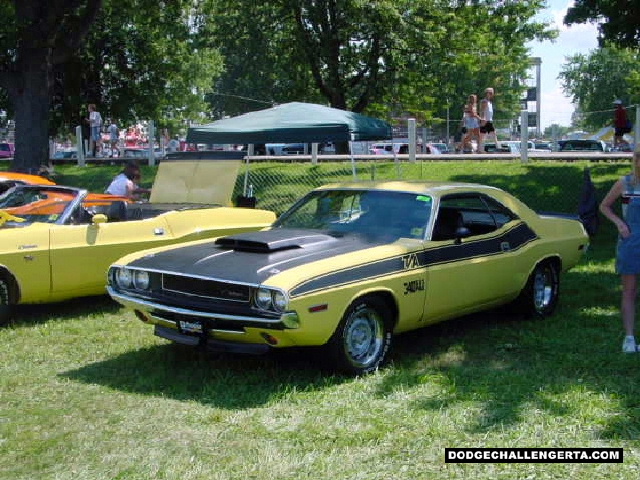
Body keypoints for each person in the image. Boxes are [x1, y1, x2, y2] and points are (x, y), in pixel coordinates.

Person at [600, 149, 640, 353]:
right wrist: (619, 224)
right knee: (630, 291)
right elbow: (604, 206)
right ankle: (629, 338)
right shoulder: (625, 183)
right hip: (631, 242)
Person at [479, 87, 499, 153]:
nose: (490, 94)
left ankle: (497, 147)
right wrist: (482, 119)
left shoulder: (490, 102)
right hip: (485, 121)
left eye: (491, 93)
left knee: (493, 134)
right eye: (488, 93)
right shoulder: (484, 101)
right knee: (483, 135)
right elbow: (482, 111)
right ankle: (481, 149)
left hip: (489, 121)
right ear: (486, 94)